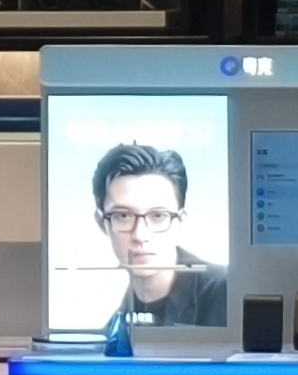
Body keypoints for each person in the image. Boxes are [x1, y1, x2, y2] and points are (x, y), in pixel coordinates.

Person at [92, 140, 228, 331]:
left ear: (180, 221)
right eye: (123, 216)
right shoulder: (116, 329)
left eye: (158, 216)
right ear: (102, 223)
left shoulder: (228, 292)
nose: (140, 235)